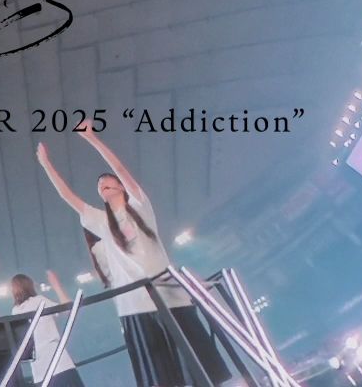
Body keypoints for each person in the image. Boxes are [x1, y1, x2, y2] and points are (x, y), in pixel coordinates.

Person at [36, 129, 231, 386]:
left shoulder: (140, 207)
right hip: (135, 307)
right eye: (99, 185)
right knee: (161, 378)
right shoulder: (101, 221)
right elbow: (67, 196)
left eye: (108, 180)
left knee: (199, 369)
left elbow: (118, 167)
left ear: (121, 186)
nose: (102, 183)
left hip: (169, 298)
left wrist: (91, 137)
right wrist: (46, 164)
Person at [10, 271, 84, 387]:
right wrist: (56, 285)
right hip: (58, 363)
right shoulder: (39, 301)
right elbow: (69, 309)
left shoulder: (15, 311)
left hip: (39, 371)